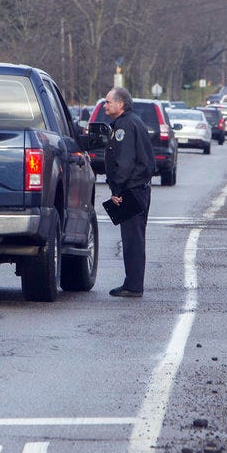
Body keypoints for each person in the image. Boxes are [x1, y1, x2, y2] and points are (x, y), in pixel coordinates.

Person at [103, 87, 156, 297]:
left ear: (120, 104)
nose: (105, 105)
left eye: (108, 102)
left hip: (131, 190)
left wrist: (117, 189)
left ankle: (133, 286)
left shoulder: (124, 125)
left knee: (132, 239)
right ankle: (132, 282)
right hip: (139, 188)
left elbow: (124, 162)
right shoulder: (133, 121)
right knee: (135, 238)